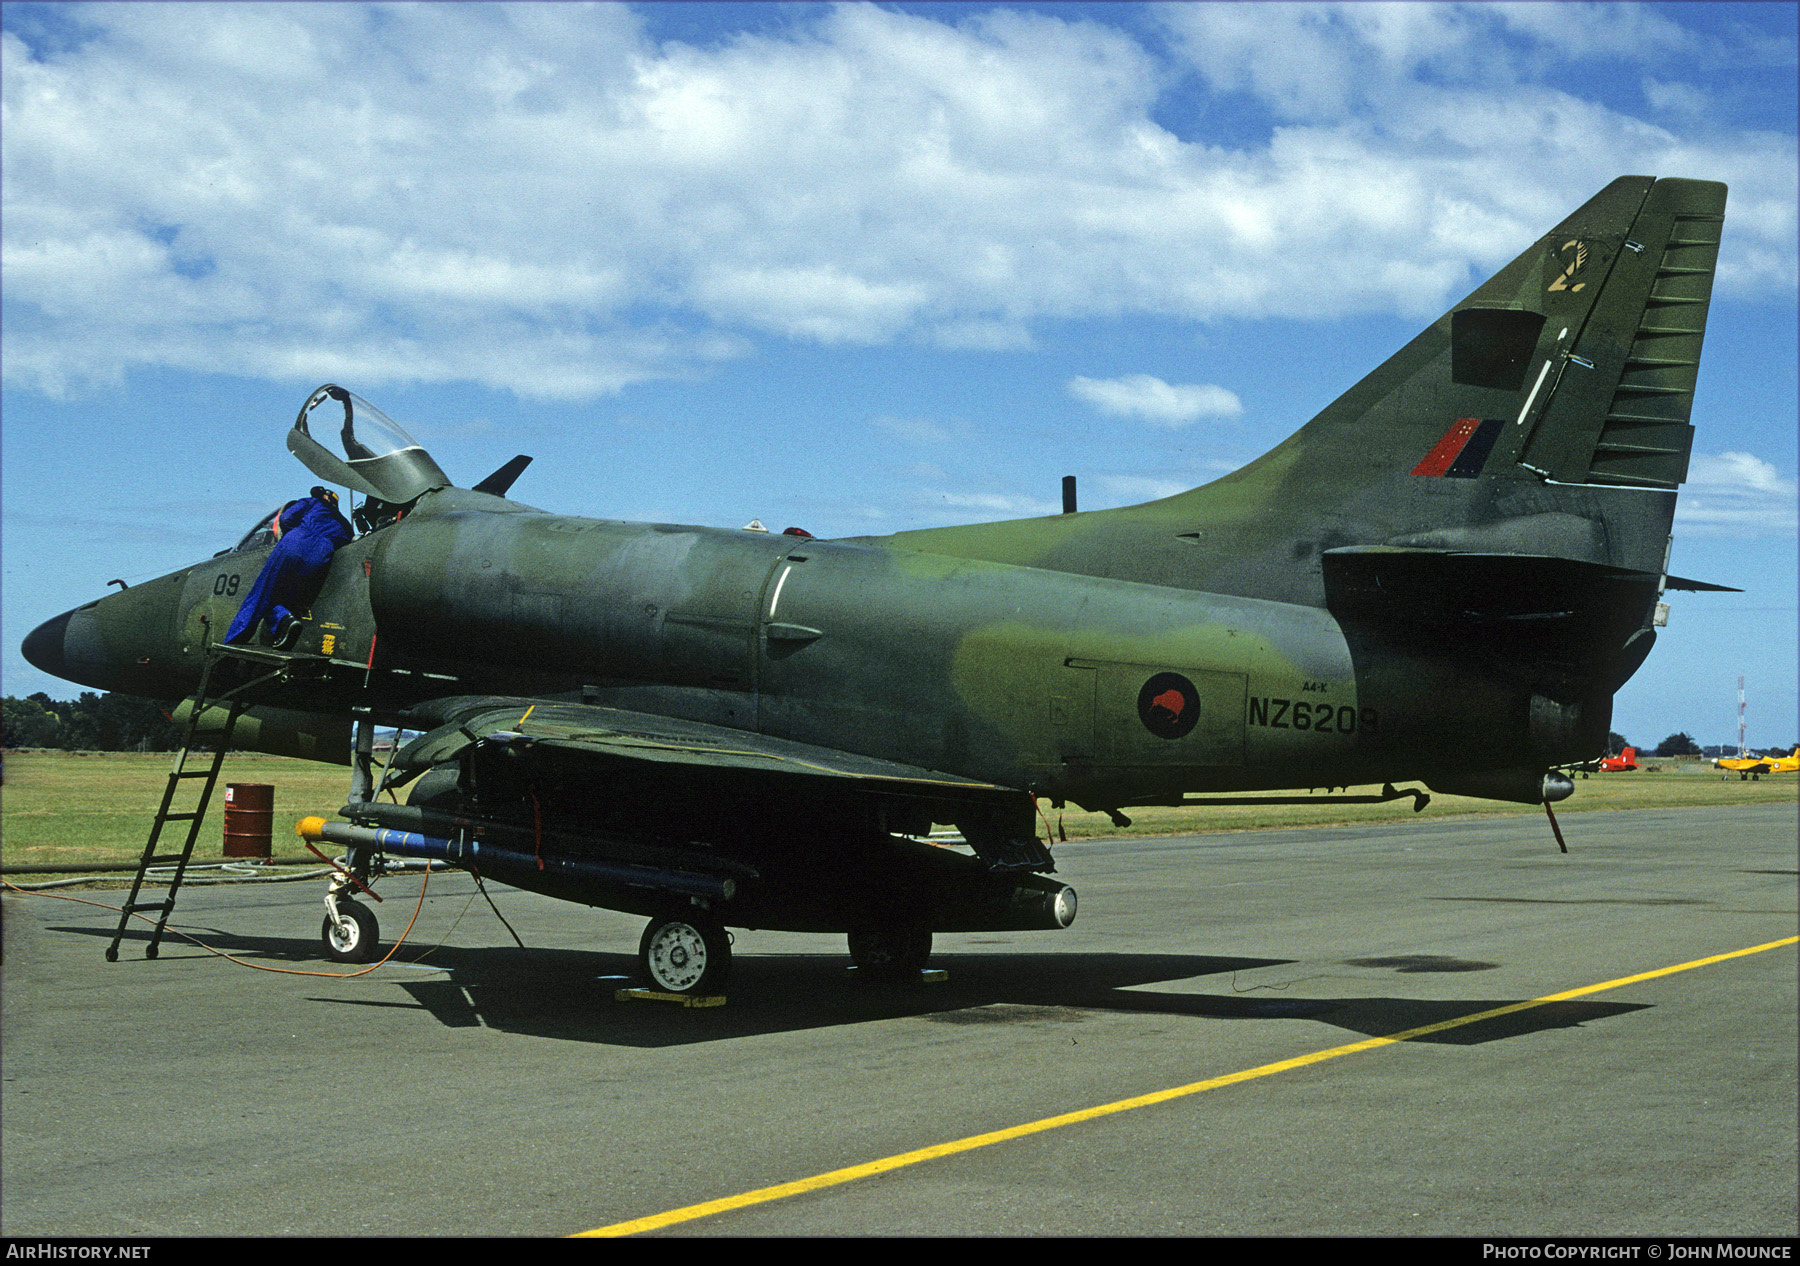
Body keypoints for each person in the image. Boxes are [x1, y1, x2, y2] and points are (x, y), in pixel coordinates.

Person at [224, 487, 353, 646]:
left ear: (324, 498)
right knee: (288, 596)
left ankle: (233, 641)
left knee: (261, 594)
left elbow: (286, 519)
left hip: (295, 544)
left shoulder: (312, 502)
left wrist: (298, 532)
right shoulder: (345, 525)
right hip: (319, 558)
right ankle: (285, 621)